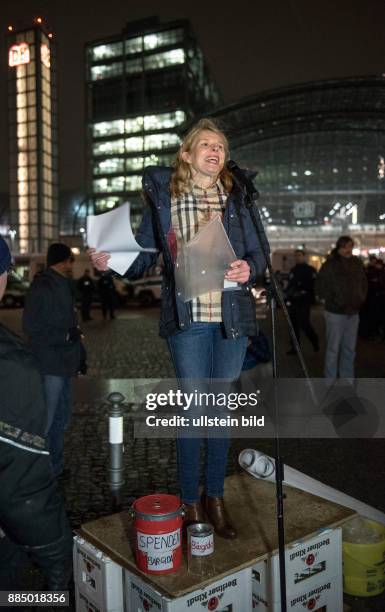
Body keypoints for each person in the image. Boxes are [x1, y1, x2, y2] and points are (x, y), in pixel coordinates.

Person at [89, 118, 268, 538]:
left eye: (221, 146)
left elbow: (260, 252)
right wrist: (109, 262)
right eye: (205, 144)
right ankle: (190, 500)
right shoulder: (166, 198)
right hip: (188, 318)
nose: (214, 150)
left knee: (220, 410)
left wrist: (249, 268)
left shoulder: (238, 195)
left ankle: (215, 497)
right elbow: (144, 258)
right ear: (187, 154)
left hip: (231, 317)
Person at [0, 237, 72, 594]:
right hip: (50, 362)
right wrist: (58, 556)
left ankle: (54, 462)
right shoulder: (11, 365)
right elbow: (21, 484)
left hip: (61, 361)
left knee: (56, 422)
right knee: (40, 428)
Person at [23, 243, 85, 478]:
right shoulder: (44, 285)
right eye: (71, 260)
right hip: (50, 365)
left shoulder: (61, 284)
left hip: (65, 363)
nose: (72, 265)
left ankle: (54, 467)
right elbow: (31, 326)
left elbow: (70, 324)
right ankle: (39, 471)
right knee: (48, 422)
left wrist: (79, 352)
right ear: (65, 261)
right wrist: (65, 335)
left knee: (61, 419)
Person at [316, 236, 367, 379]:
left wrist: (361, 298)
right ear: (339, 247)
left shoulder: (356, 263)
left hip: (353, 312)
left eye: (350, 246)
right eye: (346, 246)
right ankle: (330, 381)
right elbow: (320, 285)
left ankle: (347, 380)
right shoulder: (330, 264)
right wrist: (332, 300)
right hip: (335, 313)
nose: (348, 249)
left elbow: (364, 282)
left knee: (349, 350)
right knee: (333, 349)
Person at [286, 250, 319, 355]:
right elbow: (290, 284)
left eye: (299, 255)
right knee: (293, 325)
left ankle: (314, 341)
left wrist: (303, 291)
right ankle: (295, 348)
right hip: (293, 301)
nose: (296, 258)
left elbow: (313, 285)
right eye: (295, 256)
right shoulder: (293, 270)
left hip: (304, 301)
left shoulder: (310, 270)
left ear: (304, 256)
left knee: (304, 323)